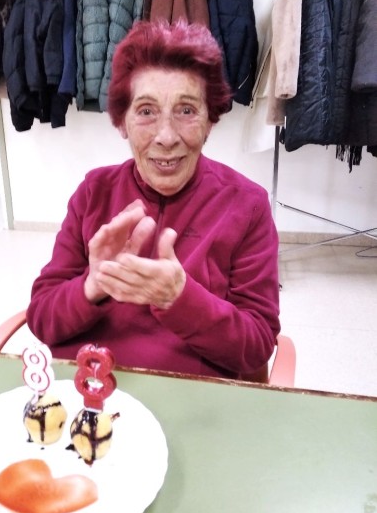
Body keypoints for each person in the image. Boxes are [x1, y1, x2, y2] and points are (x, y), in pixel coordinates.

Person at [26, 20, 281, 380]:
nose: (166, 137)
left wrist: (180, 298)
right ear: (122, 123)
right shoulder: (93, 192)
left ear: (210, 121)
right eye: (146, 111)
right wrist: (93, 284)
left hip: (190, 398)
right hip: (89, 396)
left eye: (186, 110)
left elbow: (257, 344)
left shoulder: (247, 205)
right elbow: (41, 318)